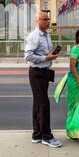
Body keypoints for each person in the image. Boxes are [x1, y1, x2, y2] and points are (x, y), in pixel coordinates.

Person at [24, 10, 62, 148]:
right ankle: (47, 136)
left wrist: (50, 55)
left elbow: (43, 52)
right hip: (37, 73)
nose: (48, 21)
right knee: (43, 105)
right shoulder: (34, 36)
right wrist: (46, 58)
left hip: (45, 72)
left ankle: (37, 134)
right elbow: (28, 56)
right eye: (45, 19)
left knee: (38, 104)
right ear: (38, 21)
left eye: (48, 19)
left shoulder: (46, 35)